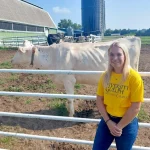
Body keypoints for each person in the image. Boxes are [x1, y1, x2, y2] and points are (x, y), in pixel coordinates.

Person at [92, 42, 144, 150]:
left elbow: (136, 107)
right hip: (107, 120)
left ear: (125, 56)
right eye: (111, 54)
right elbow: (99, 99)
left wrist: (119, 126)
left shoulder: (134, 78)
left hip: (127, 123)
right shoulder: (105, 76)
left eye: (119, 54)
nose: (115, 58)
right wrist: (108, 122)